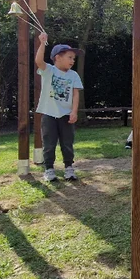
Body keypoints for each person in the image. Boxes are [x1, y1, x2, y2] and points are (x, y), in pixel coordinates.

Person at [35, 33, 83, 182]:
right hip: (49, 114)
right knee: (49, 143)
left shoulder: (73, 75)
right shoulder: (49, 70)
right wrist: (42, 43)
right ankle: (49, 169)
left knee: (67, 143)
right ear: (57, 57)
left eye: (74, 58)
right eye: (70, 57)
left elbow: (75, 95)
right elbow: (38, 61)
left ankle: (69, 167)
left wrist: (74, 111)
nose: (72, 61)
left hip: (66, 115)